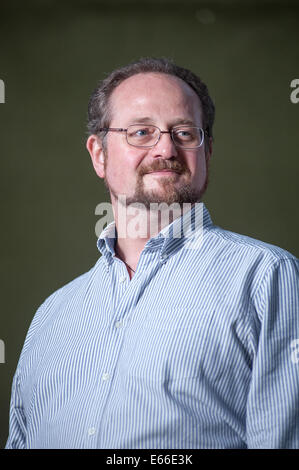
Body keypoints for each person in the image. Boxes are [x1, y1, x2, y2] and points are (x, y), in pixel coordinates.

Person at [6, 57, 299, 449]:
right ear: (99, 154)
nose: (165, 148)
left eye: (184, 132)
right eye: (141, 131)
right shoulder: (50, 317)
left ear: (207, 151)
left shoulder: (268, 277)